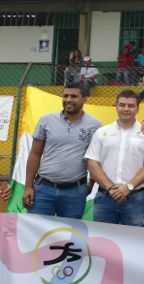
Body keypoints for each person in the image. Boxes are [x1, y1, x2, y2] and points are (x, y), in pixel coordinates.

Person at [23, 85, 101, 218]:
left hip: (75, 192)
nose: (68, 99)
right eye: (65, 96)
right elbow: (35, 154)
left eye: (74, 96)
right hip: (43, 189)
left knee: (70, 234)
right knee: (38, 234)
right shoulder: (46, 120)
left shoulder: (95, 125)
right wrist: (28, 187)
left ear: (84, 99)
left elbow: (94, 159)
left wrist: (91, 184)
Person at [85, 90, 144, 226]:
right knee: (102, 239)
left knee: (133, 241)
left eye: (130, 106)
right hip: (104, 196)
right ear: (116, 106)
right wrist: (110, 188)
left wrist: (128, 187)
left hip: (135, 197)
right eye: (122, 105)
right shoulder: (102, 132)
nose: (126, 109)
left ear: (137, 108)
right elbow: (92, 162)